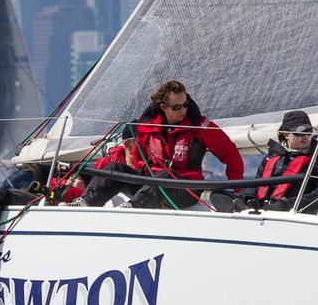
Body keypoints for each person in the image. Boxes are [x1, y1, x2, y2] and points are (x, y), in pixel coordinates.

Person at [75, 81, 244, 209]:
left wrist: (235, 190)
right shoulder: (146, 128)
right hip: (149, 186)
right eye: (177, 107)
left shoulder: (200, 127)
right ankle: (85, 203)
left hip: (185, 191)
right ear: (163, 106)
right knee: (115, 168)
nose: (183, 110)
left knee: (166, 175)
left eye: (185, 105)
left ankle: (134, 209)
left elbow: (231, 154)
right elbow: (138, 158)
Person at [239, 110, 318, 214]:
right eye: (300, 133)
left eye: (309, 132)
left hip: (294, 215)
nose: (306, 137)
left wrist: (288, 205)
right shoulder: (273, 155)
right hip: (263, 212)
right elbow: (257, 182)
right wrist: (249, 198)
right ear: (286, 134)